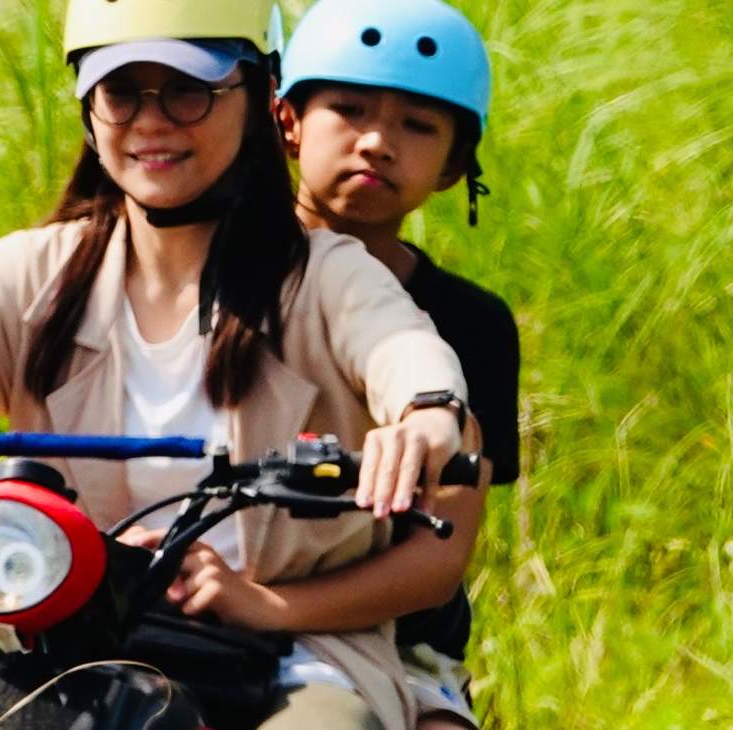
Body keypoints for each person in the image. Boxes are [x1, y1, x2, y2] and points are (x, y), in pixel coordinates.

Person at [0, 0, 477, 726]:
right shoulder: (38, 277)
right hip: (71, 642)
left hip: (297, 654)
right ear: (89, 107)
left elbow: (403, 352)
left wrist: (426, 420)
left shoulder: (324, 275)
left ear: (257, 96)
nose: (151, 120)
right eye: (121, 92)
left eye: (188, 91)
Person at [275, 0, 514, 727]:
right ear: (287, 121)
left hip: (398, 642)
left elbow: (439, 556)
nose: (378, 141)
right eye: (348, 110)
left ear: (455, 165)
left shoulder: (471, 323)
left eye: (419, 125)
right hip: (196, 598)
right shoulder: (207, 271)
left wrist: (270, 610)